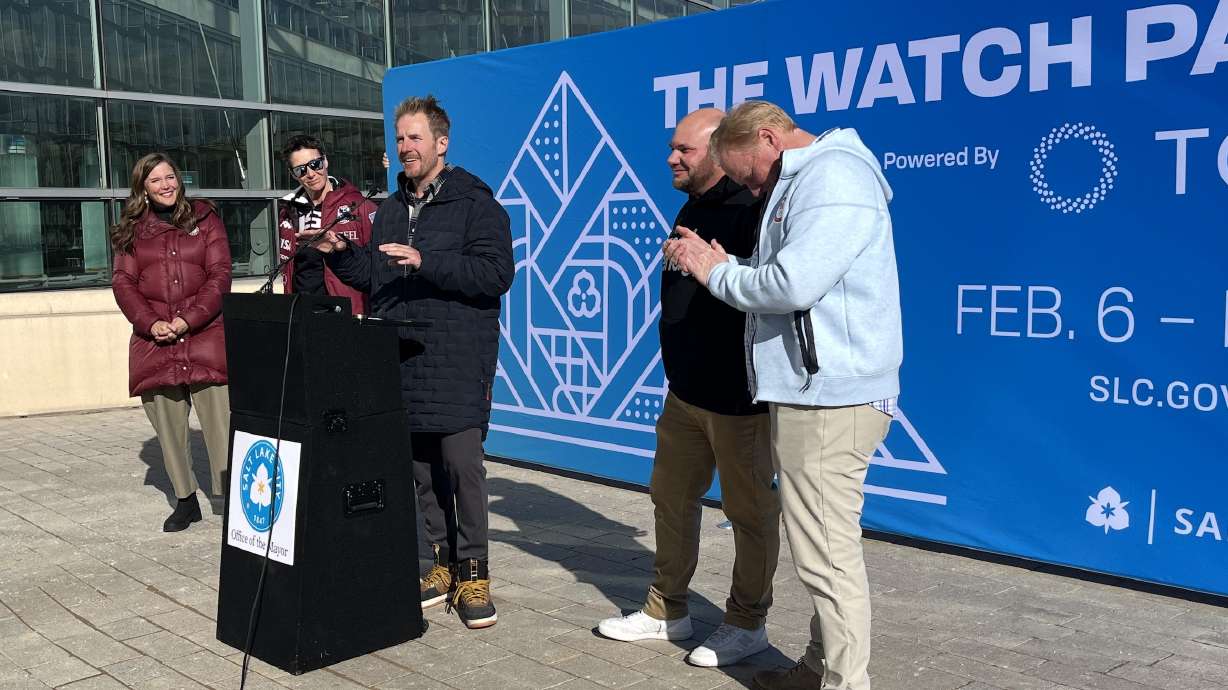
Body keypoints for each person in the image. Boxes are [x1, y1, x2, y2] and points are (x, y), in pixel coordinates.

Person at [664, 101, 903, 690]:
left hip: (830, 397)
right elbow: (794, 272)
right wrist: (733, 263)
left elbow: (794, 284)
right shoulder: (814, 176)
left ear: (770, 138)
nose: (753, 187)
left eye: (751, 174)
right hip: (814, 393)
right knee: (823, 551)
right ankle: (820, 670)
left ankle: (846, 683)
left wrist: (712, 271)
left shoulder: (833, 176)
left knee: (827, 558)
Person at [308, 95, 514, 629]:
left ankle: (475, 574)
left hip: (457, 358)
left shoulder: (477, 203)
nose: (405, 148)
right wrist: (341, 254)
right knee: (421, 470)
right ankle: (441, 563)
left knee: (463, 466)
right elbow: (377, 277)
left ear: (441, 143)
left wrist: (428, 261)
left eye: (415, 138)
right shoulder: (392, 209)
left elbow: (496, 275)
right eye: (399, 139)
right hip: (404, 355)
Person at [597, 108, 780, 668]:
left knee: (750, 514)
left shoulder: (753, 208)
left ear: (721, 149)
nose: (672, 158)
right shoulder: (692, 204)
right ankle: (666, 609)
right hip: (685, 395)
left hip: (739, 400)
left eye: (685, 150)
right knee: (671, 500)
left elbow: (770, 289)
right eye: (672, 148)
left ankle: (747, 622)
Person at [110, 153, 233, 533]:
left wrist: (187, 319)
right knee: (168, 426)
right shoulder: (130, 232)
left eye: (170, 177)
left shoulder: (205, 218)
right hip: (155, 342)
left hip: (205, 335)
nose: (166, 185)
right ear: (142, 190)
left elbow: (220, 274)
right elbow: (123, 283)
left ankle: (231, 500)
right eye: (155, 180)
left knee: (221, 424)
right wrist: (151, 323)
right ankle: (185, 501)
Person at [276, 135, 375, 313]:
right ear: (293, 175)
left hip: (344, 314)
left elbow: (375, 268)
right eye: (301, 170)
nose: (311, 174)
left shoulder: (359, 206)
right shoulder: (288, 212)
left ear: (326, 161)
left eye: (315, 164)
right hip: (302, 312)